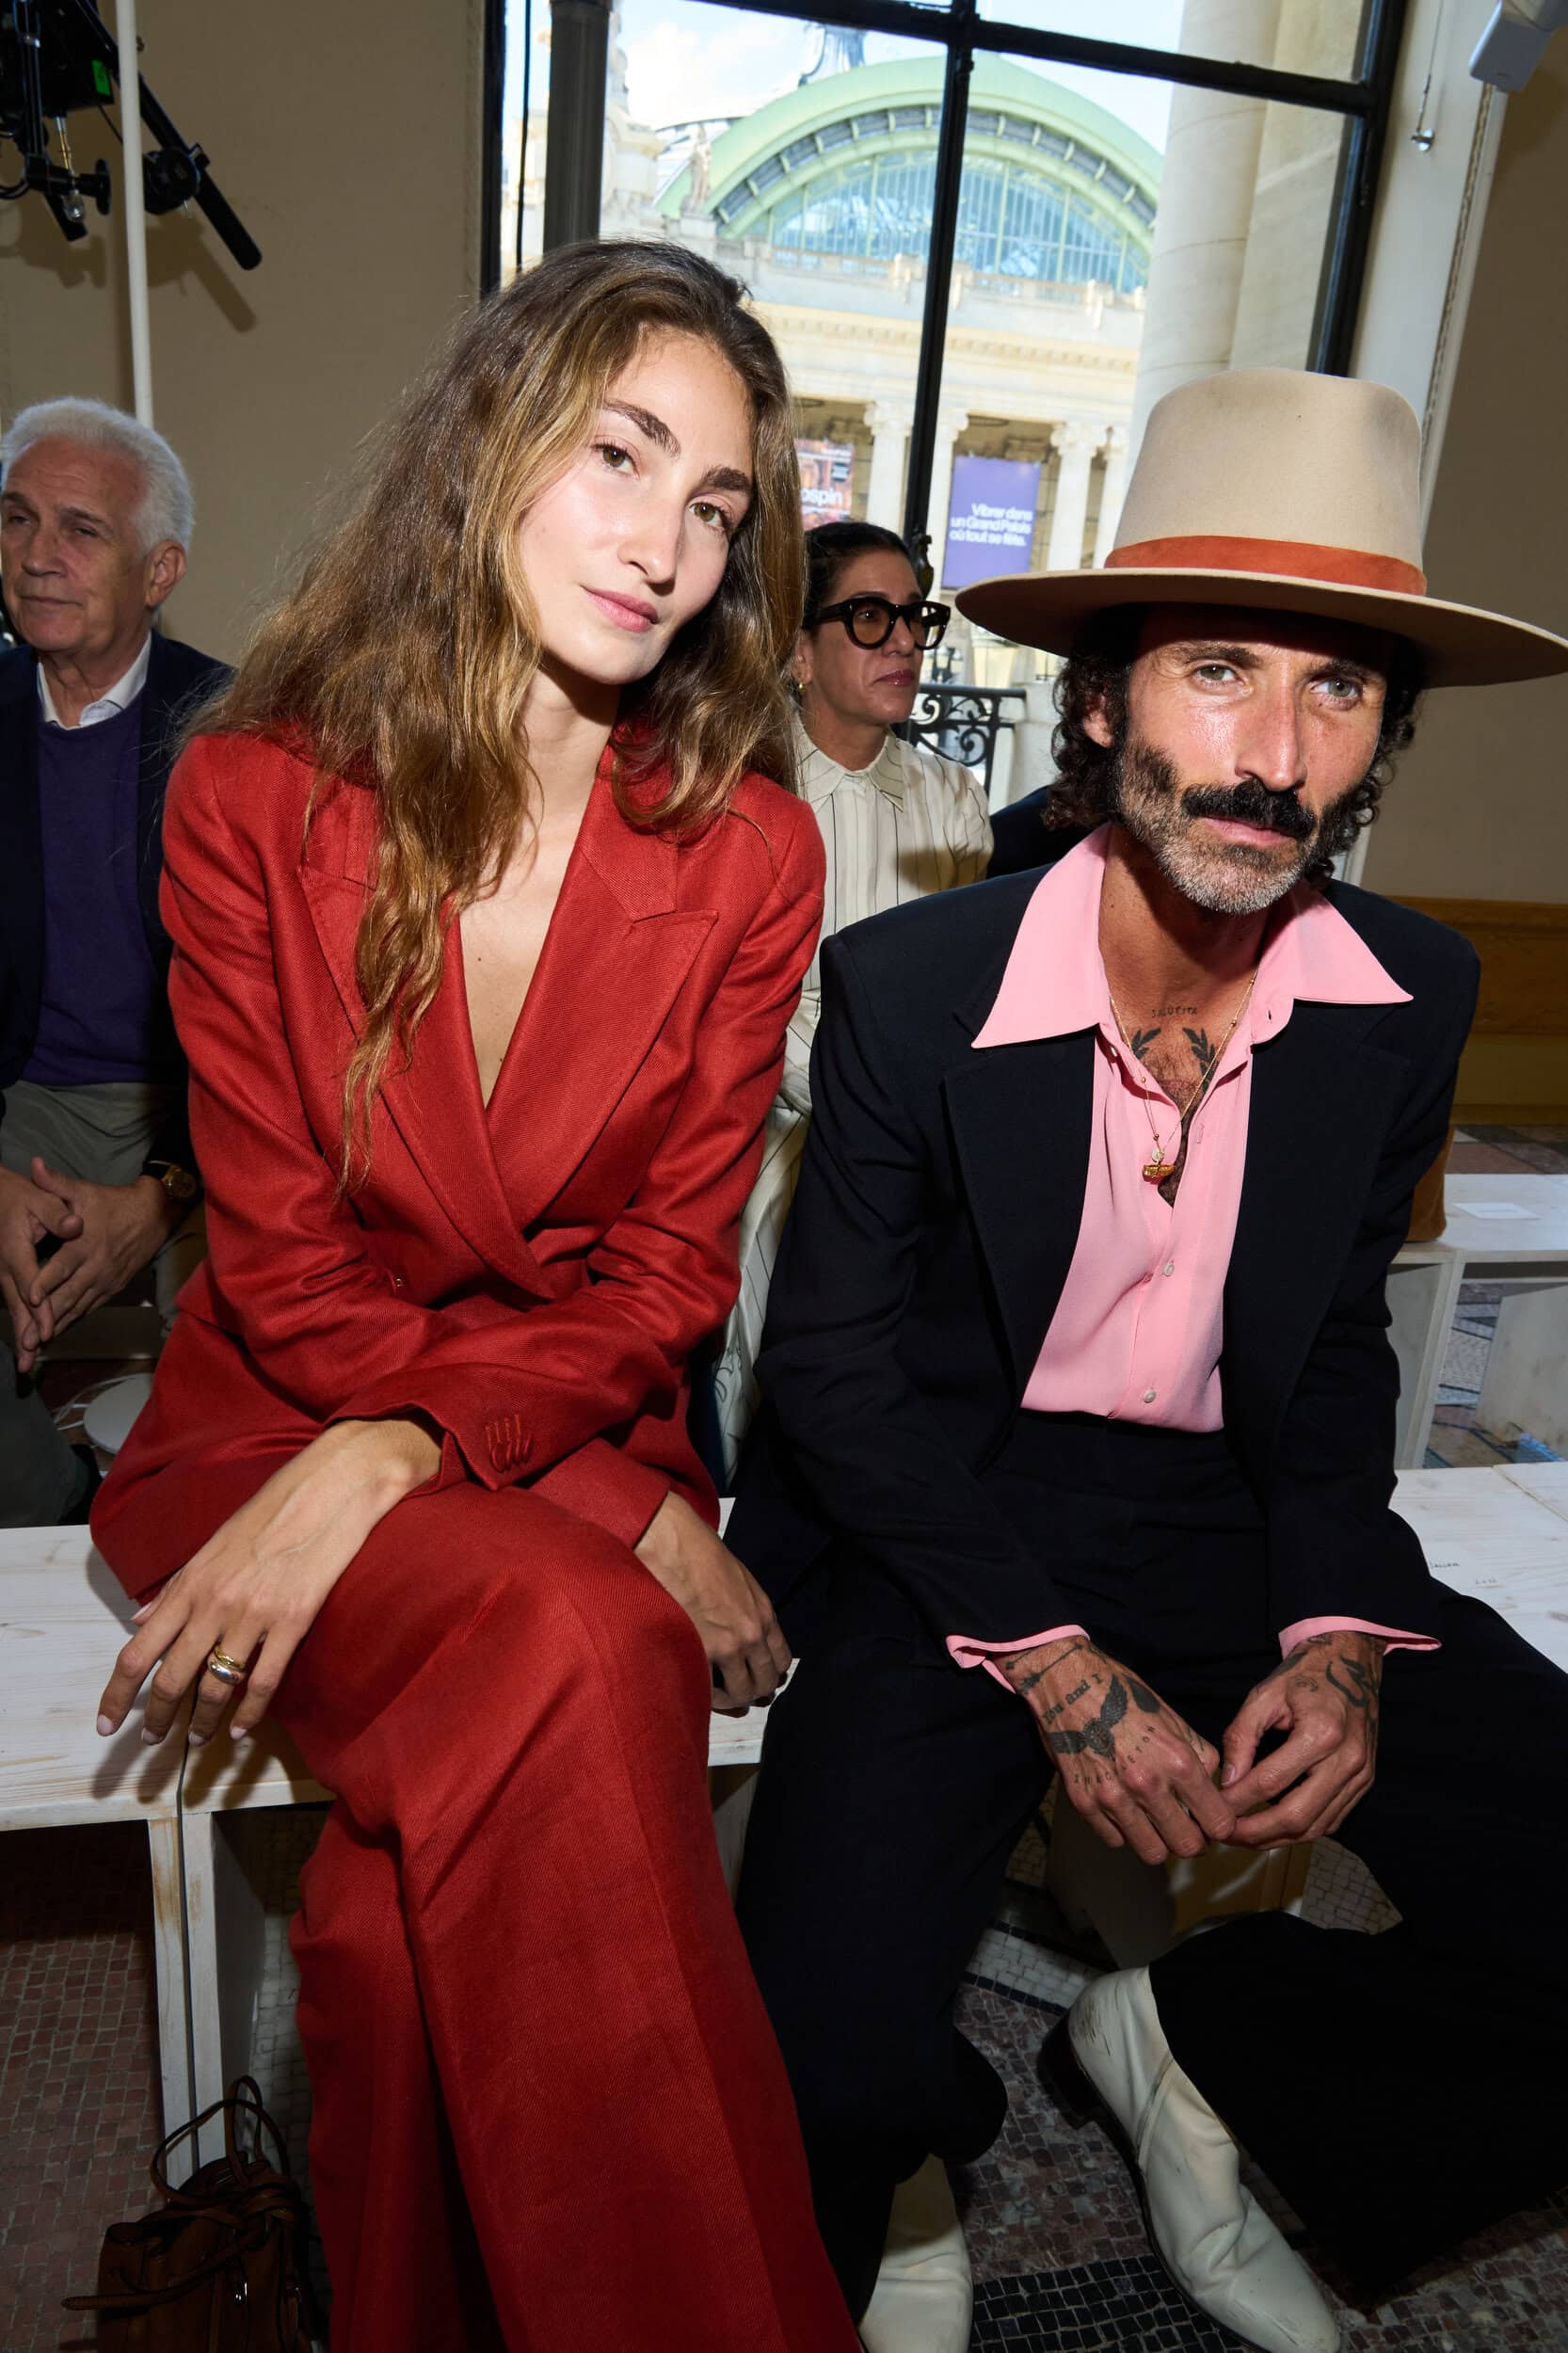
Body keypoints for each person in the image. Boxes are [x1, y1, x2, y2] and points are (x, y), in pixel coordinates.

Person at [728, 368, 1568, 2353]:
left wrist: (1340, 1624)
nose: (1273, 756)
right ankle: (918, 2155)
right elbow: (833, 1379)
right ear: (1099, 701)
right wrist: (1057, 1666)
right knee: (819, 2056)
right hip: (947, 1513)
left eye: (1336, 689)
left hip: (1236, 1510)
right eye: (1216, 672)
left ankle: (1195, 2045)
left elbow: (1334, 1341)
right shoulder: (913, 986)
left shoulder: (1407, 990)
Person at [89, 242, 857, 2353]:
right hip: (269, 1440)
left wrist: (424, 1449)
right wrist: (585, 1500)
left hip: (539, 1429)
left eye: (716, 503)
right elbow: (283, 1268)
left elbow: (670, 1273)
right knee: (577, 1631)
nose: (668, 542)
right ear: (489, 442)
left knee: (412, 1894)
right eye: (621, 453)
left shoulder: (749, 851)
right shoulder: (250, 793)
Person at [714, 520, 991, 1476]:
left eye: (915, 617)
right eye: (870, 617)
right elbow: (745, 1010)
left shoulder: (953, 802)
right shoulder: (743, 796)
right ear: (799, 651)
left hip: (923, 1139)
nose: (905, 641)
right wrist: (870, 1111)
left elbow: (965, 1006)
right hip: (775, 1126)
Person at [0, 400, 225, 1525]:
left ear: (159, 570)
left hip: (205, 1106)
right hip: (23, 1102)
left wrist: (161, 1193)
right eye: (17, 519)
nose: (37, 555)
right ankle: (45, 1519)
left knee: (260, 1336)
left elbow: (283, 1022)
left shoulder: (237, 731)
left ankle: (185, 1540)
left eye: (81, 529)